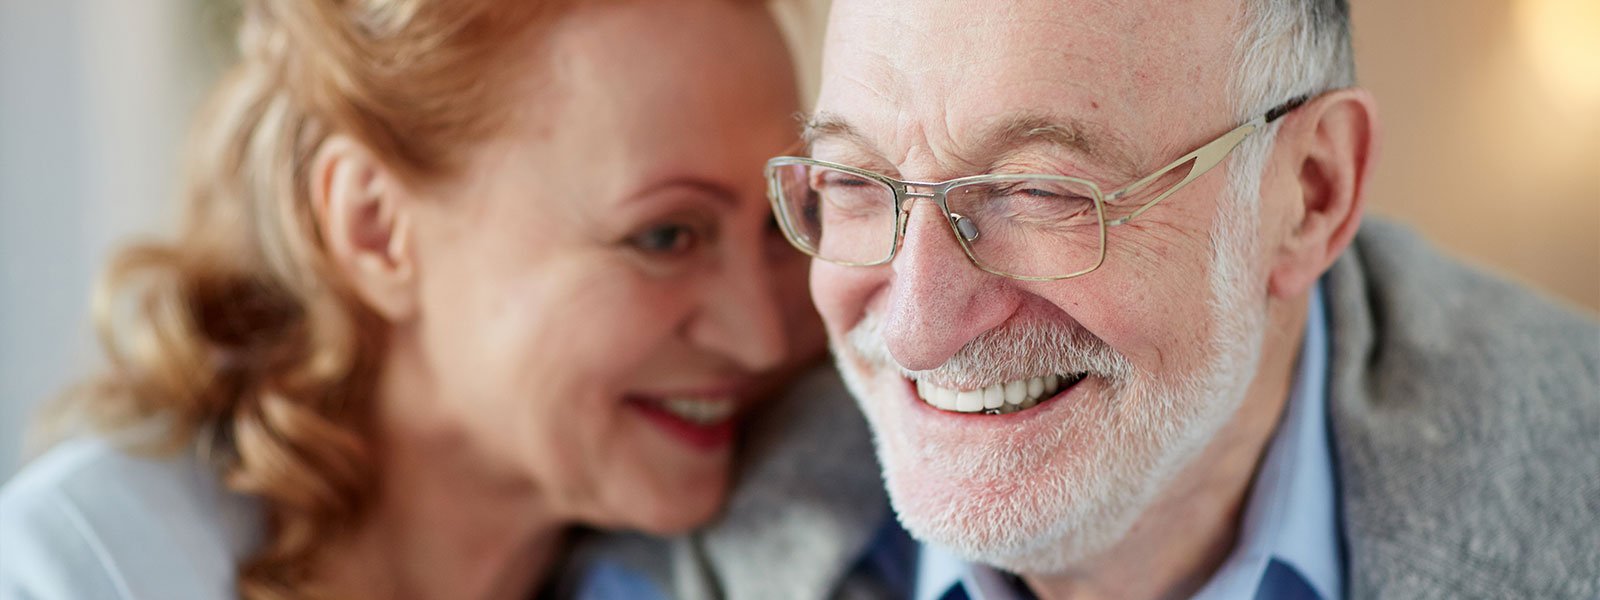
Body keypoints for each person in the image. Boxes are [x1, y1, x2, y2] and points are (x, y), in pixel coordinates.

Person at [591, 0, 1600, 598]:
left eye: (1039, 192)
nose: (913, 325)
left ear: (1309, 195)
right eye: (853, 183)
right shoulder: (678, 550)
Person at [0, 0, 835, 598]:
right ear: (374, 229)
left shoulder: (800, 531)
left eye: (777, 223)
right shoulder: (87, 568)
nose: (762, 336)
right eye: (664, 238)